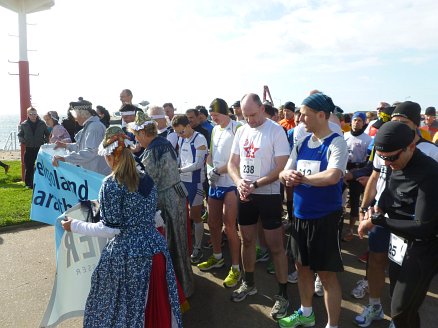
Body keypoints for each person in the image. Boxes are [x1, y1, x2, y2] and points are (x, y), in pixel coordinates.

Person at [61, 126, 182, 328]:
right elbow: (155, 218)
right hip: (156, 252)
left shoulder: (111, 183)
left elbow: (110, 230)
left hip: (128, 259)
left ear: (109, 157)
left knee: (120, 311)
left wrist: (74, 226)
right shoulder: (146, 178)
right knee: (154, 308)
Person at [355, 101, 438, 327]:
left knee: (401, 310)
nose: (389, 163)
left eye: (392, 158)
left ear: (411, 145)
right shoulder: (396, 164)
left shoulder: (430, 171)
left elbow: (424, 227)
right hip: (399, 243)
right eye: (384, 158)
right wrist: (373, 210)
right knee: (402, 306)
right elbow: (389, 196)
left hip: (423, 248)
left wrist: (379, 220)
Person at [279, 92, 348, 328]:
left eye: (304, 115)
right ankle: (306, 313)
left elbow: (333, 175)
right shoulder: (301, 143)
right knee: (302, 268)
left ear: (321, 115)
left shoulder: (336, 142)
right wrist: (286, 175)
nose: (300, 119)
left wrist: (303, 179)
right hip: (300, 217)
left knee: (327, 275)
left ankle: (332, 325)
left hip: (325, 218)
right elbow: (284, 172)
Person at [228, 93, 290, 320]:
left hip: (269, 194)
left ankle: (283, 294)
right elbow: (232, 163)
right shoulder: (242, 130)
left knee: (275, 246)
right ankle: (249, 283)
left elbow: (280, 168)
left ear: (263, 108)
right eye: (245, 116)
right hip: (246, 193)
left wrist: (255, 184)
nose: (250, 120)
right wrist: (239, 182)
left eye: (253, 115)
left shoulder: (276, 130)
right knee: (247, 240)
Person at [130, 111, 194, 298]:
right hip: (176, 194)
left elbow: (146, 181)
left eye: (136, 135)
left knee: (172, 243)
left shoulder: (153, 150)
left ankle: (178, 290)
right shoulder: (163, 143)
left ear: (142, 133)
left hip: (167, 200)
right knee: (180, 241)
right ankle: (186, 284)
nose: (136, 139)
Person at [196, 98, 242, 288]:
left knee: (230, 226)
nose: (213, 119)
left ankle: (236, 268)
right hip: (215, 182)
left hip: (231, 182)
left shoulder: (238, 128)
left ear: (226, 113)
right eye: (212, 116)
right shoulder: (215, 130)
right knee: (213, 223)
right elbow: (212, 154)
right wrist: (209, 171)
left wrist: (218, 171)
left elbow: (238, 159)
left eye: (216, 115)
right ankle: (217, 256)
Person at [172, 114, 208, 264]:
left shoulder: (199, 138)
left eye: (182, 131)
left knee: (195, 215)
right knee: (183, 214)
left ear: (188, 126)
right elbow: (181, 158)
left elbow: (198, 164)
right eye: (177, 133)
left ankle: (198, 247)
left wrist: (179, 170)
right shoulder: (181, 138)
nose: (180, 135)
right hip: (183, 181)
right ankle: (186, 245)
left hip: (196, 182)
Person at [52, 99, 110, 176]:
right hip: (93, 171)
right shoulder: (90, 125)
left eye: (75, 115)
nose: (75, 119)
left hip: (97, 173)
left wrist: (65, 158)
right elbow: (82, 146)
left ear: (83, 114)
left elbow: (90, 152)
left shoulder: (94, 127)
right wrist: (65, 145)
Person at [342, 112, 372, 241]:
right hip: (344, 169)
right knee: (336, 195)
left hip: (358, 170)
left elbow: (368, 160)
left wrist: (359, 173)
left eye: (360, 120)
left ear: (364, 122)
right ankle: (336, 222)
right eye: (355, 120)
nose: (356, 122)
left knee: (354, 201)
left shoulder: (368, 139)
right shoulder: (345, 135)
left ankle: (350, 229)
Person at [18, 107, 50, 188]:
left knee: (41, 166)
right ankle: (28, 184)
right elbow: (20, 135)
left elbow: (47, 134)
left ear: (37, 114)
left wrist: (45, 141)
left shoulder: (42, 123)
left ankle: (41, 182)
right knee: (29, 166)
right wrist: (24, 141)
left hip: (39, 148)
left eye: (34, 114)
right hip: (29, 148)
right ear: (28, 114)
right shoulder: (24, 124)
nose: (33, 116)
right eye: (31, 114)